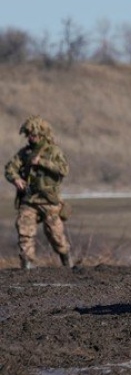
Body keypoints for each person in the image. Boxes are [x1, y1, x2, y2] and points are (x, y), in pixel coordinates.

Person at [5, 115, 72, 269]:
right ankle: (27, 265)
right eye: (28, 135)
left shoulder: (53, 151)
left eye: (32, 135)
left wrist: (41, 162)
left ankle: (67, 262)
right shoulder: (25, 153)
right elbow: (10, 168)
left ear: (42, 134)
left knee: (56, 236)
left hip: (49, 200)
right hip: (30, 199)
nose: (30, 138)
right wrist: (15, 179)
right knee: (24, 231)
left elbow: (64, 170)